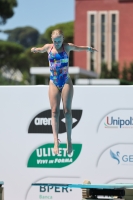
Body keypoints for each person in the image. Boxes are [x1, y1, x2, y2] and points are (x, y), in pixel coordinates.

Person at [31, 29, 98, 155]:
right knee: (54, 111)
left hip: (66, 81)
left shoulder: (67, 48)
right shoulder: (48, 48)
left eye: (59, 41)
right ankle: (56, 141)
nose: (57, 43)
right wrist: (35, 49)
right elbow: (40, 49)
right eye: (55, 41)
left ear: (62, 39)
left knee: (67, 111)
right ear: (52, 40)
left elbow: (78, 48)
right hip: (53, 82)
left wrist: (89, 49)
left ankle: (69, 139)